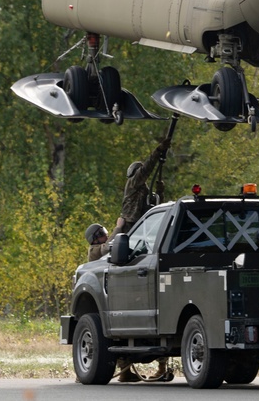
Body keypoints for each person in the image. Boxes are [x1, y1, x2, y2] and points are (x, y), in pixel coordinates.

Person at [109, 137, 172, 383]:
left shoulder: (143, 194)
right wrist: (158, 151)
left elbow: (155, 210)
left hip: (142, 235)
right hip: (131, 234)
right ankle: (125, 369)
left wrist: (161, 192)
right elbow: (145, 170)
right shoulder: (133, 185)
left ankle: (144, 367)